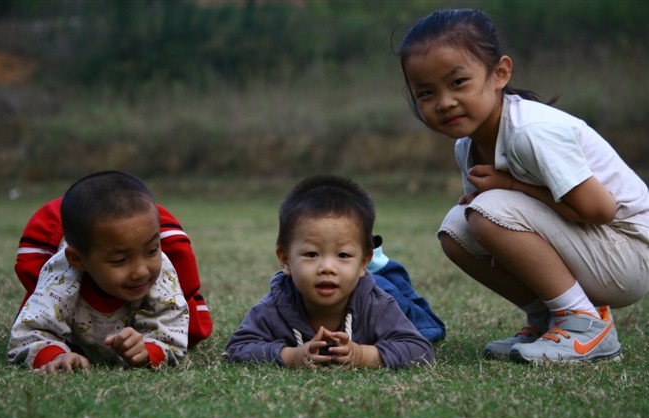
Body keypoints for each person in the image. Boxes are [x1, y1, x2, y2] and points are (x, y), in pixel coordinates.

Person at [398, 9, 649, 362]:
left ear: (500, 73)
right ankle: (550, 320)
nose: (445, 102)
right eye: (426, 93)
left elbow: (600, 209)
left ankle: (585, 325)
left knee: (487, 211)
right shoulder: (466, 146)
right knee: (456, 228)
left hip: (630, 252)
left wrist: (513, 185)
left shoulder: (529, 132)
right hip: (596, 249)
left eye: (458, 83)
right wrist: (502, 192)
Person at [8, 171, 212, 372]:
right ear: (78, 260)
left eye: (152, 250)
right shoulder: (60, 278)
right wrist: (56, 355)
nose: (141, 271)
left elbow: (173, 334)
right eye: (120, 260)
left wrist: (148, 349)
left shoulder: (162, 275)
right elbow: (29, 334)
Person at [224, 175, 434, 369]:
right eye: (312, 254)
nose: (327, 267)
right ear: (286, 260)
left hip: (385, 287)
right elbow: (236, 349)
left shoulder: (376, 305)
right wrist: (290, 356)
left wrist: (362, 355)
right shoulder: (273, 308)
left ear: (364, 262)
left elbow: (420, 350)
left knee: (420, 318)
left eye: (343, 255)